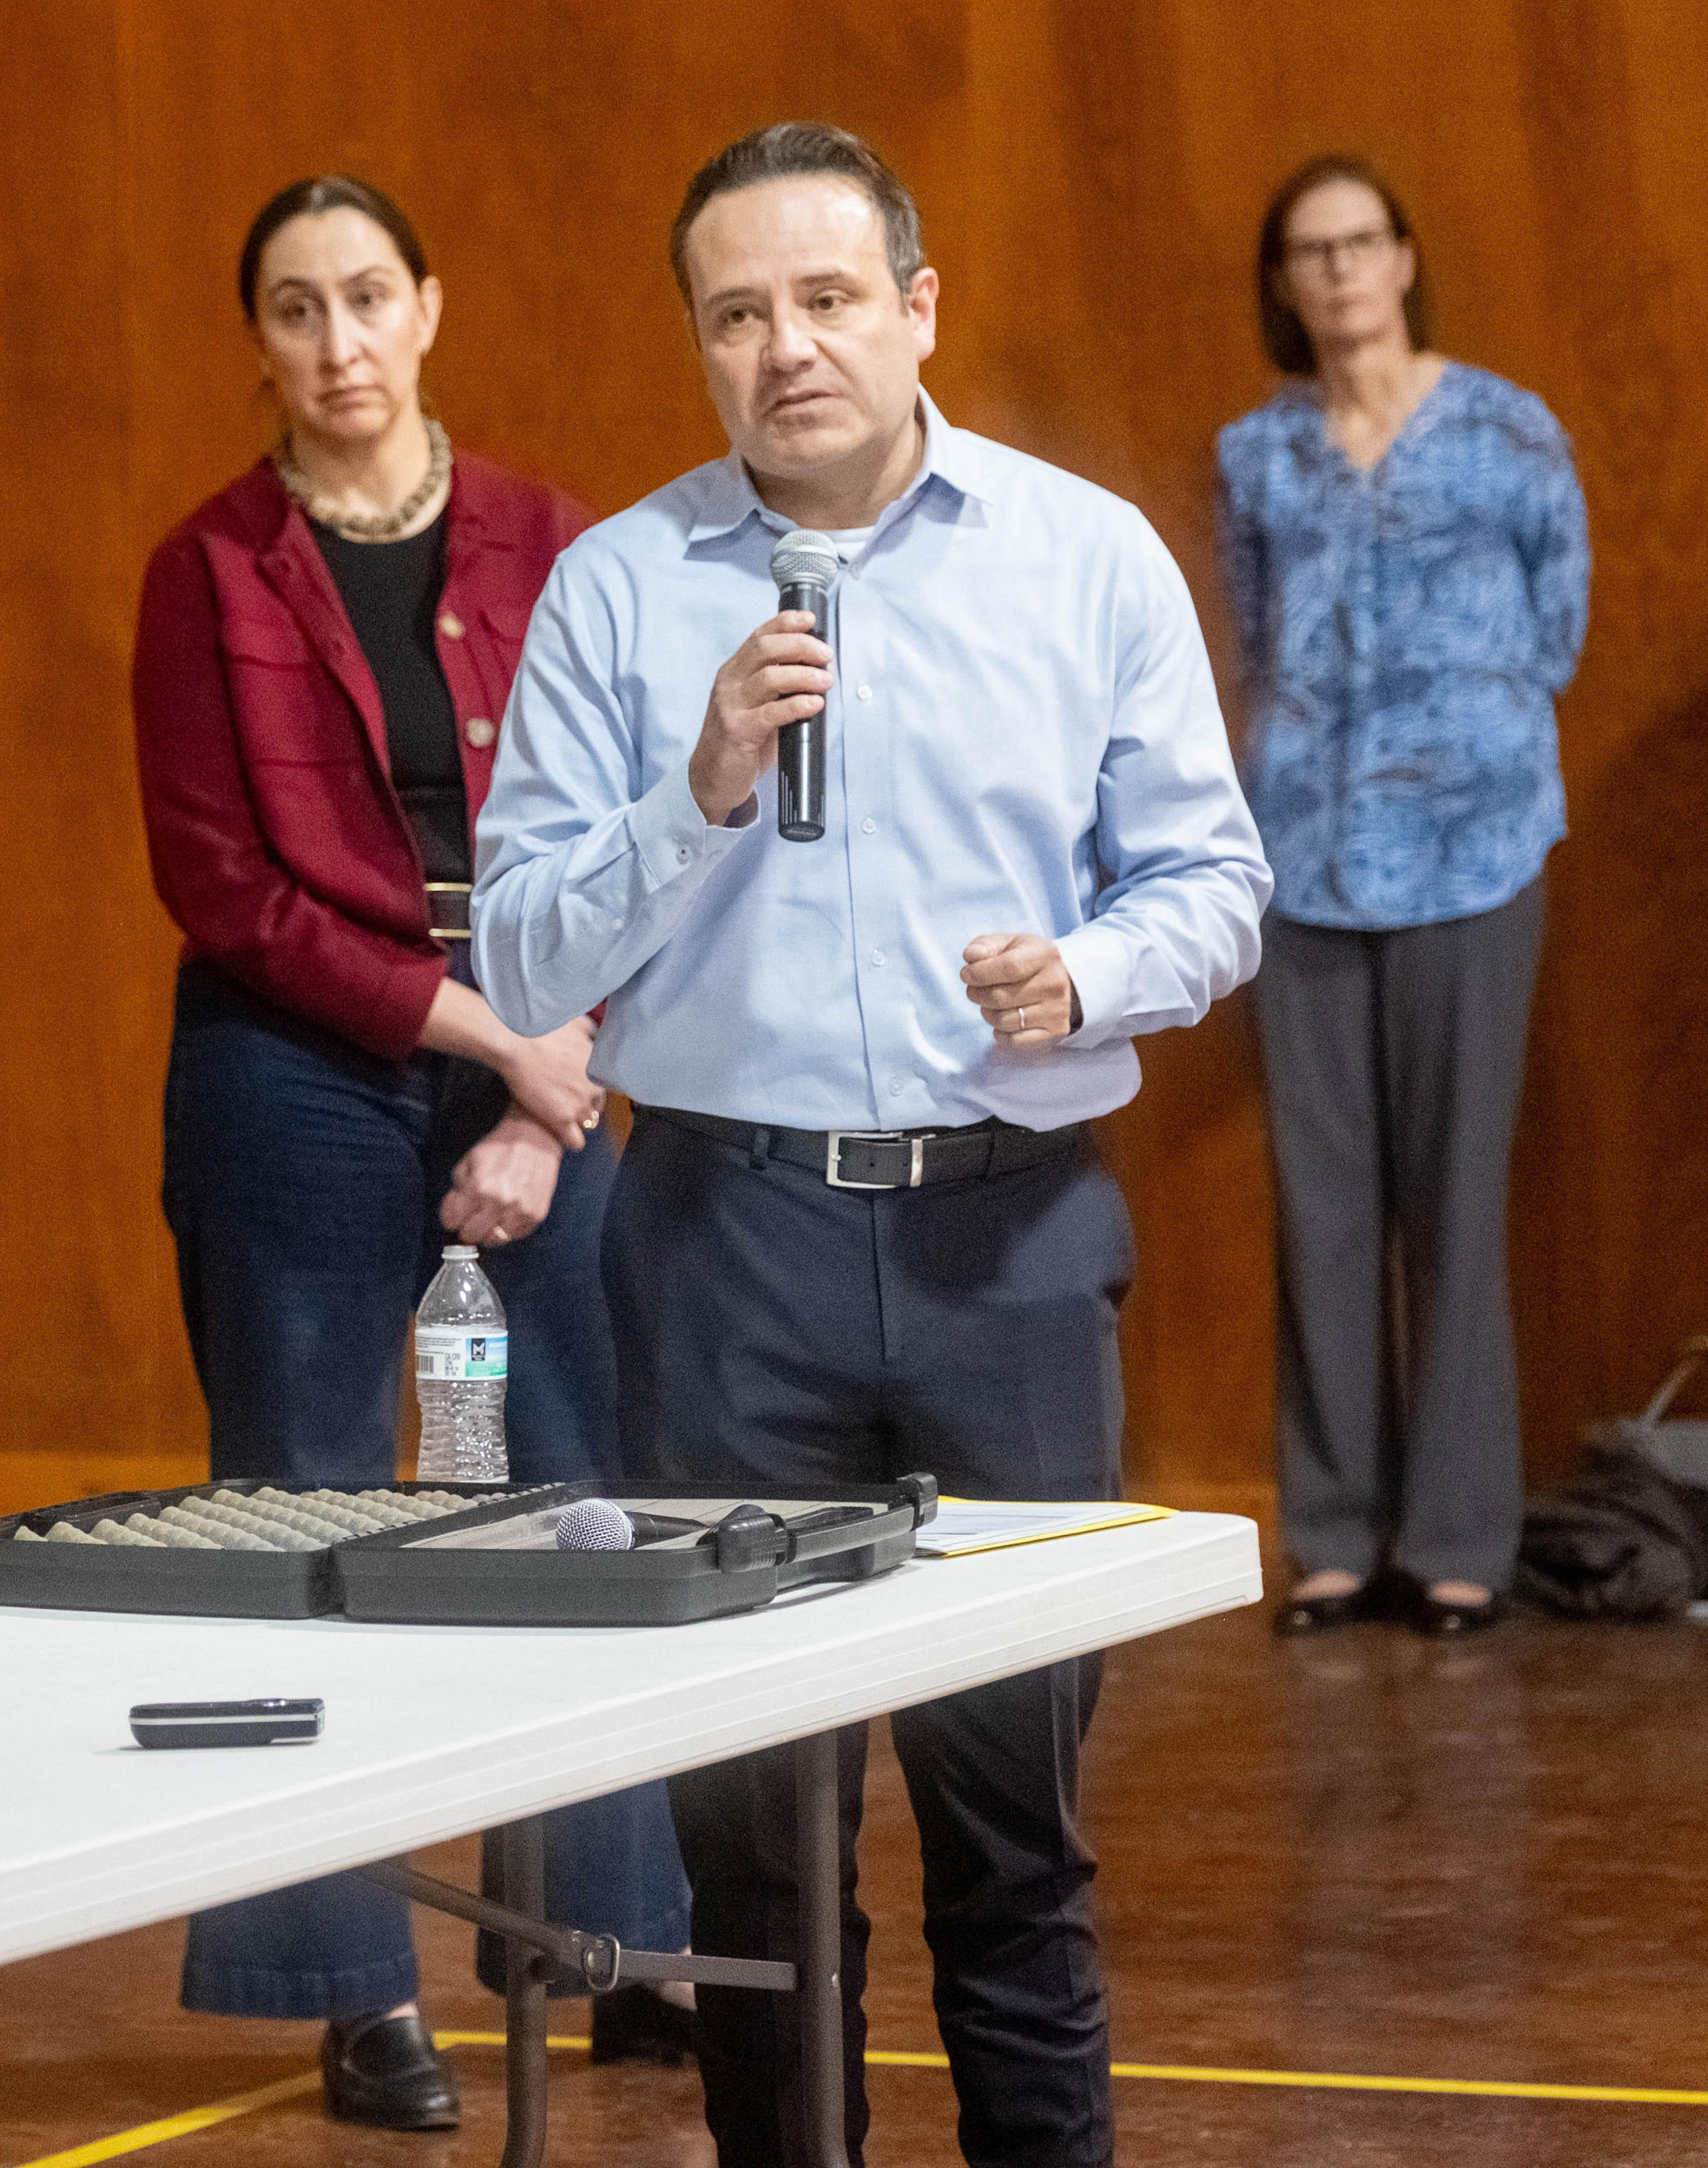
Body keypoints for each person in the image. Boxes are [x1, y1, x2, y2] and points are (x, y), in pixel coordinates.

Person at [474, 123, 1270, 2168]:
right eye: (735, 314)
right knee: (750, 1846)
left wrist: (1085, 977)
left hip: (1001, 1242)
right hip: (716, 1242)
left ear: (919, 308)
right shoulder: (616, 588)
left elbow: (1211, 882)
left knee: (1012, 1826)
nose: (785, 347)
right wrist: (701, 781)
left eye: (827, 298)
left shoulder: (1083, 557)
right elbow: (527, 941)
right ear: (697, 347)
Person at [132, 174, 693, 2132]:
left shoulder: (561, 544)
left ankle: (607, 1948)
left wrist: (565, 1081)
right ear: (259, 339)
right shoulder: (204, 570)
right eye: (294, 308)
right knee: (299, 1510)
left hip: (551, 1038)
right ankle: (342, 1981)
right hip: (294, 1073)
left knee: (571, 1499)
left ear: (428, 306)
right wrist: (496, 1052)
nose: (337, 341)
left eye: (366, 295)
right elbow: (223, 890)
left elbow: (647, 831)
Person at [1218, 156, 1588, 1641]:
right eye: (1309, 251)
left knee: (1453, 1204)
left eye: (1363, 241)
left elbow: (1557, 623)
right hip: (1303, 858)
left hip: (1475, 856)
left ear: (1404, 256)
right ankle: (1328, 1533)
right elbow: (1252, 633)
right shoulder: (1258, 453)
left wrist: (1461, 744)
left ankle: (1455, 1542)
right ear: (1285, 285)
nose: (1341, 271)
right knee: (1321, 1210)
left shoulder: (1507, 428)